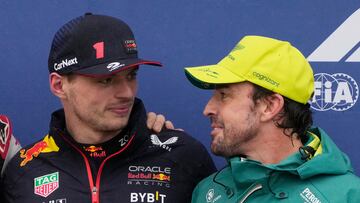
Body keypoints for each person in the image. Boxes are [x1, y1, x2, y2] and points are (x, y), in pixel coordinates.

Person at [1, 13, 216, 203]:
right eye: (106, 80)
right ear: (59, 85)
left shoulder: (183, 154)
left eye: (131, 75)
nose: (126, 93)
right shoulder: (23, 170)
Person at [184, 35, 360, 202]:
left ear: (270, 106)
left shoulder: (347, 195)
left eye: (224, 95)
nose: (207, 109)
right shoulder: (208, 190)